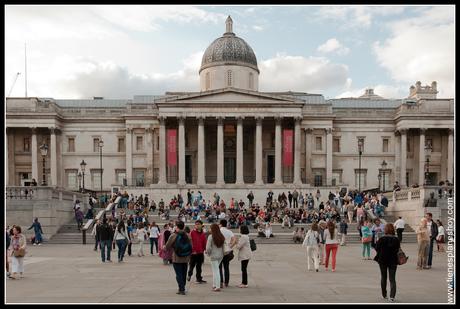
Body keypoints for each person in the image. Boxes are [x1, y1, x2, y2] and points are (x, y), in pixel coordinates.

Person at [165, 221, 192, 295]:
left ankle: (181, 289)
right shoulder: (188, 235)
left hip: (177, 257)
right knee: (184, 273)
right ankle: (183, 286)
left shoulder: (173, 235)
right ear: (183, 226)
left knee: (178, 274)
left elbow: (167, 246)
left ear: (177, 227)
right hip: (186, 257)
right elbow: (191, 247)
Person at [374, 223, 400, 302]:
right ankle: (392, 296)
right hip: (393, 260)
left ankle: (384, 294)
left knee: (383, 277)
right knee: (392, 278)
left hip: (383, 260)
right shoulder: (396, 239)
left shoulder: (382, 239)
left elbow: (376, 248)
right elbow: (397, 249)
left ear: (385, 230)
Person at [206, 223, 226, 292]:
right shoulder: (221, 236)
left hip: (213, 255)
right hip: (220, 255)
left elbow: (208, 248)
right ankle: (214, 284)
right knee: (216, 270)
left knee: (215, 271)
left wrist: (208, 253)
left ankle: (217, 286)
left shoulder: (210, 237)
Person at [219, 219, 237, 288]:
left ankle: (220, 281)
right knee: (226, 267)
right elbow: (234, 239)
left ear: (220, 224)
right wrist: (230, 246)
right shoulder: (229, 231)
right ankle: (226, 282)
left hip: (220, 251)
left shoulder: (219, 231)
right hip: (227, 251)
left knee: (219, 267)